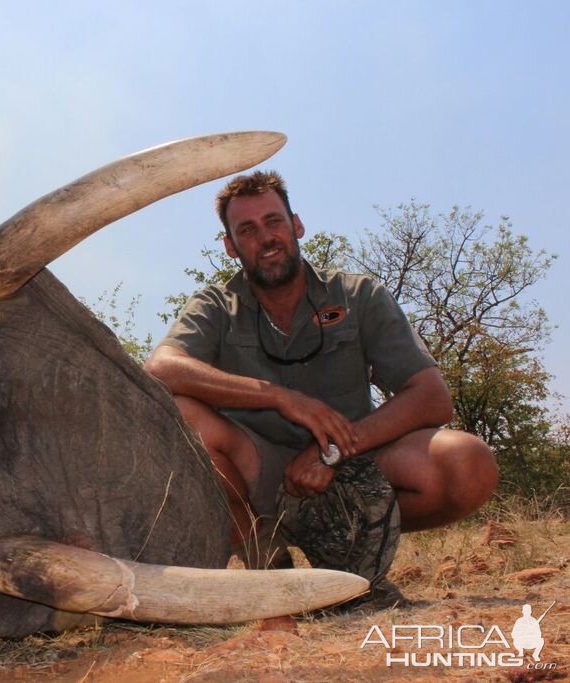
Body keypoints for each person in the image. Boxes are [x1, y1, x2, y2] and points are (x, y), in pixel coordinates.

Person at [145, 171, 497, 574]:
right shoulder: (215, 305)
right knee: (181, 413)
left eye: (274, 221)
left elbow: (431, 396)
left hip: (357, 461)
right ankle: (263, 557)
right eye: (248, 229)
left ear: (296, 225)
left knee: (467, 463)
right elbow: (161, 368)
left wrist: (331, 451)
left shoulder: (359, 295)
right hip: (258, 477)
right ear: (231, 246)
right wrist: (280, 397)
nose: (265, 237)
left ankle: (351, 536)